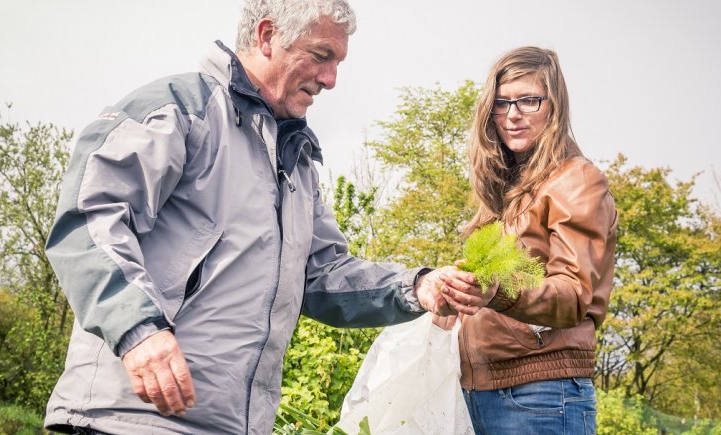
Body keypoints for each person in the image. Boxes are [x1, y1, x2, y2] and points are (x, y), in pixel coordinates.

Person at [42, 1, 493, 433]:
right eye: (322, 55)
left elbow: (322, 276)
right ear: (267, 36)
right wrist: (139, 331)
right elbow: (88, 219)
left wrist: (416, 286)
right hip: (128, 419)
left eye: (338, 62)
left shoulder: (296, 163)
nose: (331, 79)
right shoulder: (179, 111)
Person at [452, 47, 618, 434]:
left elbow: (574, 294)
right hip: (483, 389)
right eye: (502, 102)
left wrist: (498, 292)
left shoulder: (576, 180)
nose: (512, 114)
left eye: (528, 100)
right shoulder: (505, 192)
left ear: (554, 105)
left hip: (540, 395)